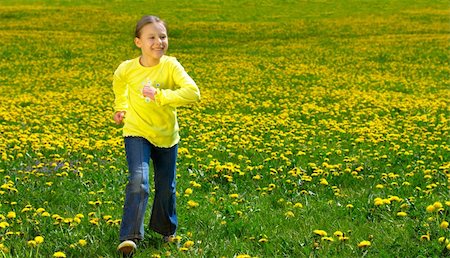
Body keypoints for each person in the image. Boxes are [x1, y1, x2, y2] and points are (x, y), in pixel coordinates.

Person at [112, 15, 200, 256]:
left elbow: (193, 93)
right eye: (151, 37)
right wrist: (121, 107)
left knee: (166, 187)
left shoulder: (171, 65)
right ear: (138, 42)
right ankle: (129, 238)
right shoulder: (126, 69)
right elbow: (119, 83)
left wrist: (161, 97)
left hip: (166, 135)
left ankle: (165, 231)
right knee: (139, 181)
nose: (158, 42)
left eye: (162, 36)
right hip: (136, 131)